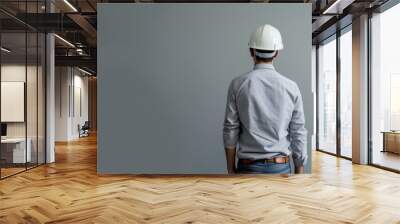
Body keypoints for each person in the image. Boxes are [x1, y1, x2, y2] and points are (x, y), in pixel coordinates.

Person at [223, 24, 307, 174]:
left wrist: (230, 169)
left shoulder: (238, 85)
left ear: (252, 51)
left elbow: (231, 129)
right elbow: (298, 131)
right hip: (281, 167)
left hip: (247, 167)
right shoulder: (291, 87)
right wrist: (299, 169)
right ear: (276, 53)